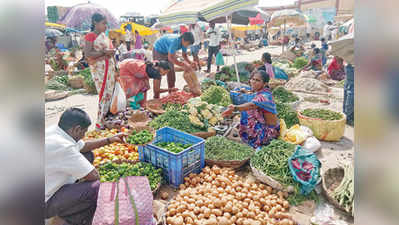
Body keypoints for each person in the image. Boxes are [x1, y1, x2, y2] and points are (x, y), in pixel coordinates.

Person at [45, 108, 126, 225]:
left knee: (88, 155)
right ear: (76, 129)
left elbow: (83, 146)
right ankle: (68, 218)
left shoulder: (56, 131)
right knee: (95, 188)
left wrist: (110, 140)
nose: (84, 135)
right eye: (84, 132)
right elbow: (94, 176)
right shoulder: (64, 147)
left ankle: (73, 193)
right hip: (45, 202)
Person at [222, 70, 280, 149]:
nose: (253, 82)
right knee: (247, 112)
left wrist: (234, 107)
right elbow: (253, 95)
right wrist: (246, 91)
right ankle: (247, 131)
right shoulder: (260, 92)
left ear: (265, 83)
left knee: (247, 111)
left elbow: (252, 105)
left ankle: (253, 138)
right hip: (264, 125)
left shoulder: (265, 96)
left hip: (269, 131)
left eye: (257, 80)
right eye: (253, 79)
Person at [84, 13, 117, 130]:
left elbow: (110, 52)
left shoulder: (104, 36)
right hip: (100, 70)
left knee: (111, 94)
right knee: (104, 95)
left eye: (106, 23)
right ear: (95, 23)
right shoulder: (90, 36)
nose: (106, 26)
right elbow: (88, 54)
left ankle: (110, 119)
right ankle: (101, 122)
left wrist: (111, 53)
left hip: (110, 69)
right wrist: (105, 52)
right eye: (103, 23)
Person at [152, 32, 196, 98]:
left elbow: (184, 55)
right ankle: (156, 96)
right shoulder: (175, 42)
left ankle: (171, 93)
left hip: (168, 51)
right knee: (159, 72)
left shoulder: (184, 43)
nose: (188, 46)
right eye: (188, 44)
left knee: (171, 72)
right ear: (183, 40)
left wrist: (190, 62)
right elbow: (171, 58)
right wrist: (183, 65)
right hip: (158, 50)